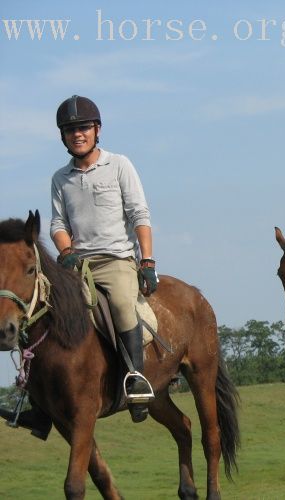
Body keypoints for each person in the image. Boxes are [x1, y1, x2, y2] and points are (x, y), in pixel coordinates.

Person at [2, 96, 158, 436]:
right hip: (76, 264)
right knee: (40, 312)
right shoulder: (61, 178)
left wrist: (146, 260)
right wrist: (67, 251)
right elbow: (58, 224)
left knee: (119, 303)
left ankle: (135, 378)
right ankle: (36, 402)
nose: (77, 134)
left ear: (97, 130)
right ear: (63, 136)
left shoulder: (119, 165)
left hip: (116, 259)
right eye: (70, 130)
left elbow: (139, 214)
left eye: (83, 127)